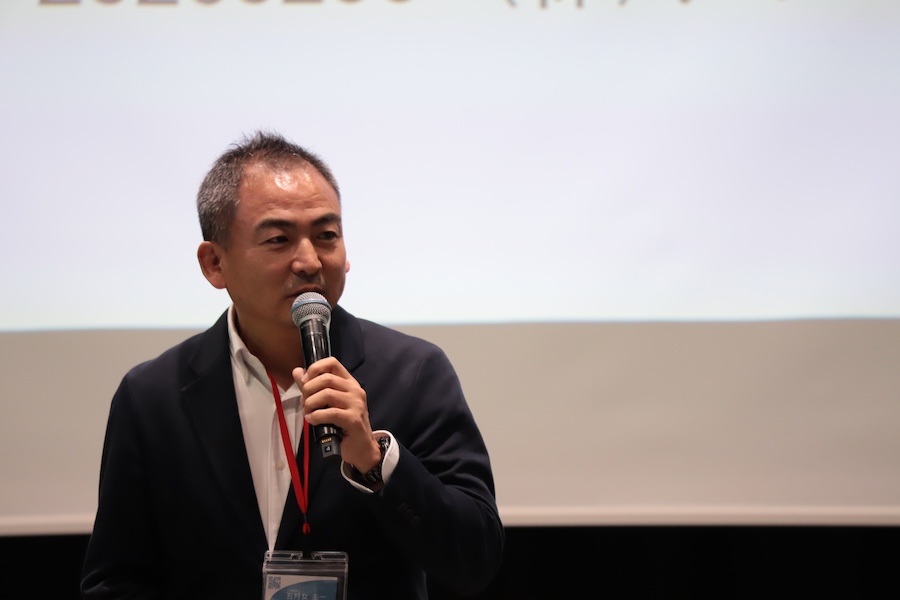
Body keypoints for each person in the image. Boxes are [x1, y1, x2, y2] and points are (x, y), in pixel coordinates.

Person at [80, 130, 504, 599]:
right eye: (279, 239)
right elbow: (115, 581)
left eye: (326, 236)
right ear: (214, 263)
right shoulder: (153, 397)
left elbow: (475, 560)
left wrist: (375, 462)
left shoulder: (414, 373)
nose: (309, 261)